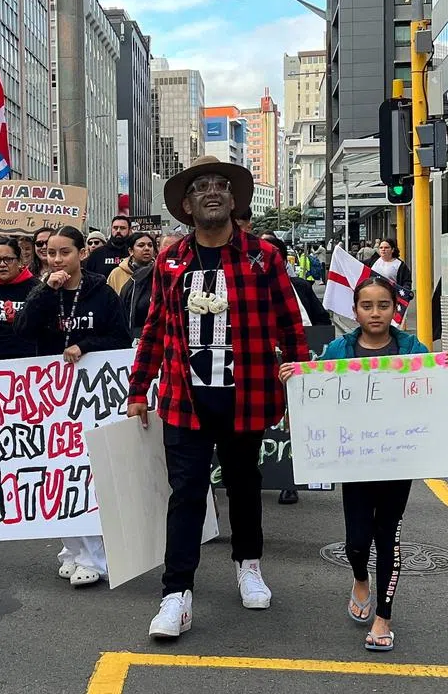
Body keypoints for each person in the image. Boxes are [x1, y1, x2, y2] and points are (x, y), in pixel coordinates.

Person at [126, 154, 308, 638]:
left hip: (245, 394)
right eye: (201, 186)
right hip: (186, 398)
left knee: (245, 485)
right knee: (185, 493)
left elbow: (291, 323)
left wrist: (302, 385)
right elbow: (156, 327)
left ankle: (248, 563)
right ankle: (175, 593)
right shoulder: (169, 261)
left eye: (220, 186)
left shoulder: (261, 257)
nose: (212, 192)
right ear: (186, 204)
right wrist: (138, 388)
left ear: (233, 200)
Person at [281, 277, 448, 653]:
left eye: (383, 305)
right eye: (367, 306)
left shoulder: (411, 347)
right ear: (355, 310)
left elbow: (440, 391)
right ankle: (360, 578)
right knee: (357, 542)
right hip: (355, 463)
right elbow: (313, 394)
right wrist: (293, 379)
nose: (375, 312)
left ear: (395, 308)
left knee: (388, 537)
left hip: (399, 462)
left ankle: (384, 617)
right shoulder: (338, 349)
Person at [15, 226, 130, 587]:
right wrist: (45, 292)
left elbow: (120, 337)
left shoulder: (102, 292)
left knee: (87, 474)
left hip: (92, 396)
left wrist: (86, 346)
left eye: (64, 252)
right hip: (51, 397)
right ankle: (72, 549)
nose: (56, 259)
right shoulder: (42, 290)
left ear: (81, 254)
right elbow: (22, 330)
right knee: (57, 474)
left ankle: (95, 557)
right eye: (50, 253)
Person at [259, 232, 331, 507]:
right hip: (261, 367)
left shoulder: (300, 286)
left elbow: (321, 321)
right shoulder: (245, 285)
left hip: (296, 361)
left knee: (291, 424)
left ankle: (290, 483)